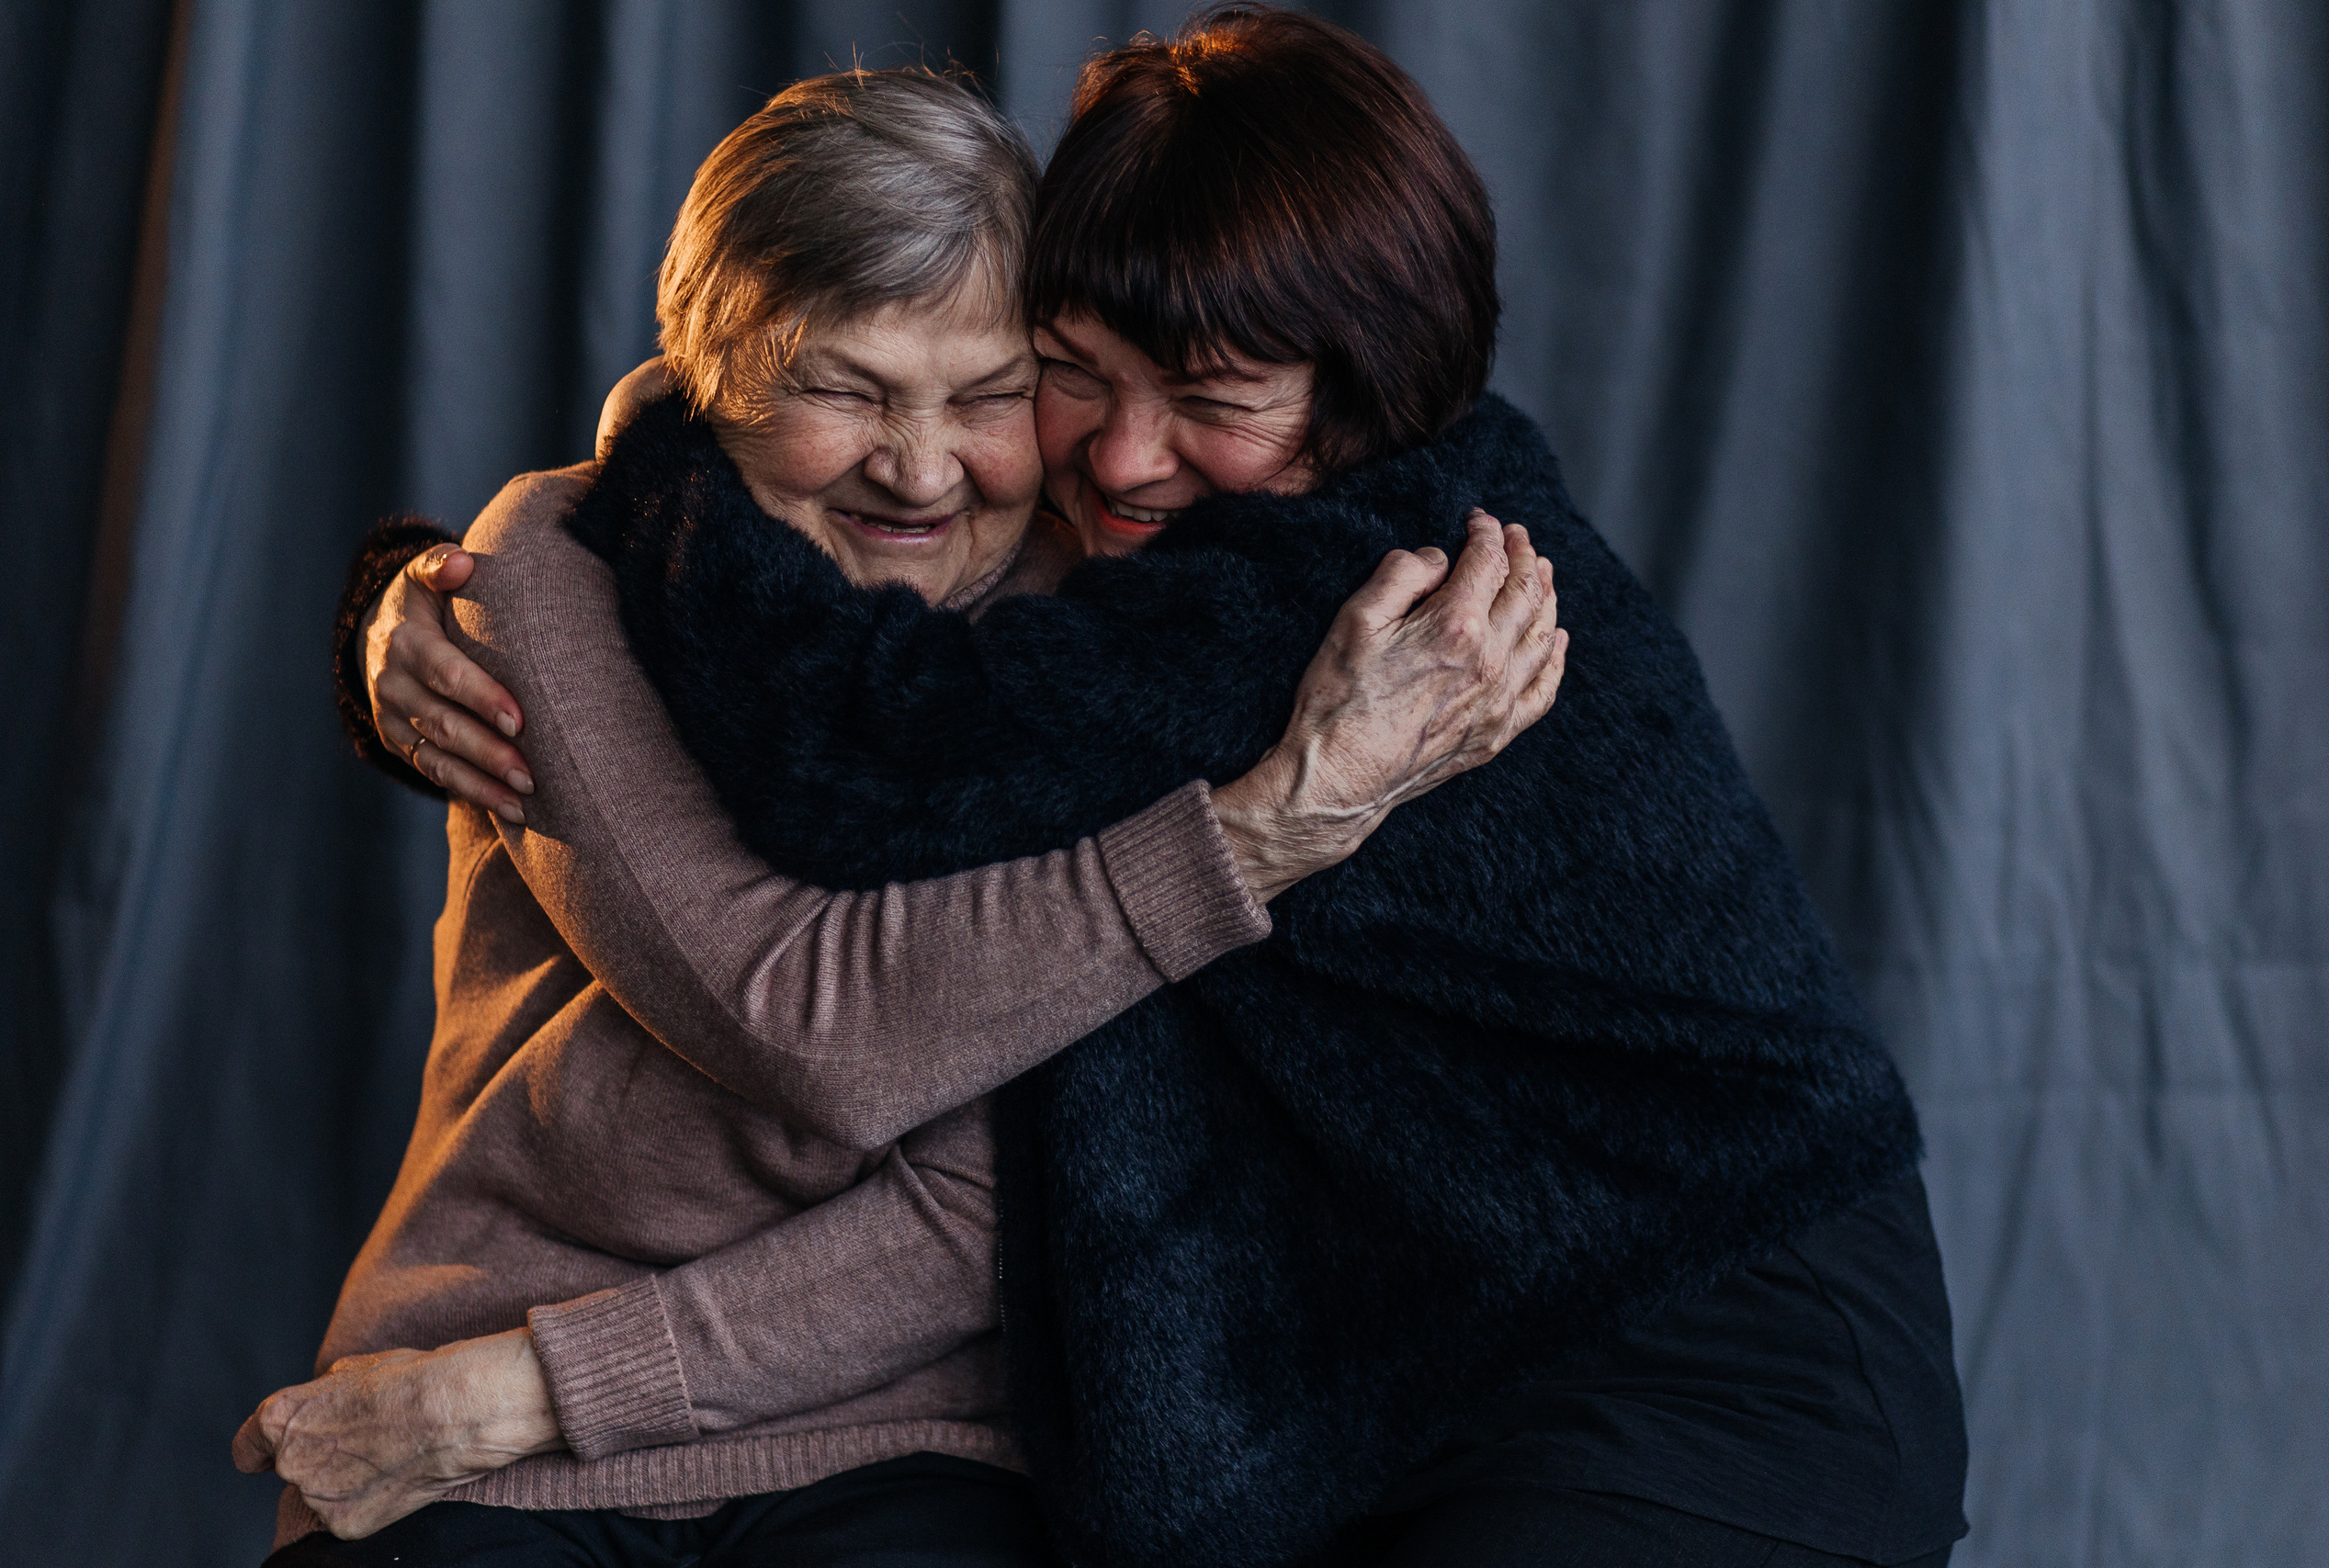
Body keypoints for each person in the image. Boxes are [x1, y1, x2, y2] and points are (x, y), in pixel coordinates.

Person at [266, 8, 1969, 1566]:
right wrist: (443, 589)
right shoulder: (1145, 560)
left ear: (1361, 397)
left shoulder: (1333, 605)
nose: (1123, 456)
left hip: (1705, 1354)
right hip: (1436, 1366)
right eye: (1079, 370)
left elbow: (866, 767)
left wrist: (642, 463)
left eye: (1208, 402)